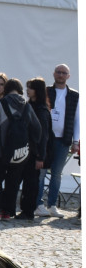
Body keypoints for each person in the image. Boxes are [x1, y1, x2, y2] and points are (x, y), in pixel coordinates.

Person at [0, 79, 42, 220]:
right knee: (13, 182)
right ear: (20, 90)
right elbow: (37, 129)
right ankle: (7, 212)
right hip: (19, 153)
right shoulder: (27, 105)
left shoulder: (0, 104)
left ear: (6, 89)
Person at [36, 64, 79, 218]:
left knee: (56, 174)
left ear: (68, 76)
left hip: (63, 140)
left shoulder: (75, 95)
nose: (61, 75)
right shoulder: (46, 91)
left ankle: (52, 205)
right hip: (45, 139)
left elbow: (78, 119)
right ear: (54, 74)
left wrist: (76, 141)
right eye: (58, 72)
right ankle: (38, 204)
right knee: (41, 173)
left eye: (64, 73)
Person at [17, 78, 52, 220]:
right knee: (25, 181)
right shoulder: (29, 106)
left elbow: (43, 136)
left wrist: (40, 157)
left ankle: (28, 211)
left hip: (34, 153)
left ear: (37, 90)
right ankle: (24, 209)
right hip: (26, 150)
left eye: (30, 87)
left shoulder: (41, 110)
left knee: (31, 183)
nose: (27, 90)